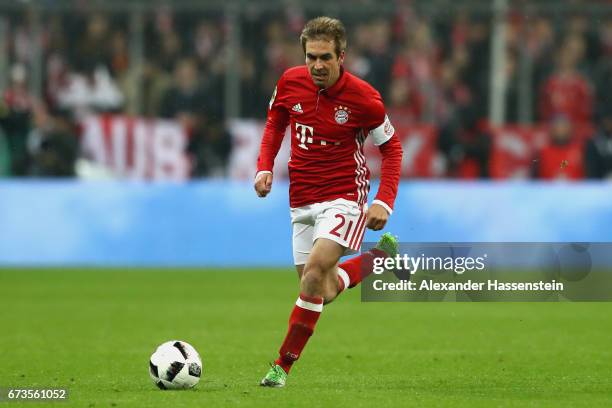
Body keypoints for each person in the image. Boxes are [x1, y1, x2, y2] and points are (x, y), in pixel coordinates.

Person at [254, 16, 403, 387]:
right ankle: (375, 260)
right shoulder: (290, 82)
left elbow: (392, 149)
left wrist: (384, 201)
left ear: (341, 57)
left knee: (316, 272)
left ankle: (281, 367)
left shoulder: (364, 98)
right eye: (311, 57)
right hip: (301, 199)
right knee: (321, 288)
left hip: (345, 196)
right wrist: (264, 167)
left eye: (325, 58)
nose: (317, 65)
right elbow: (275, 122)